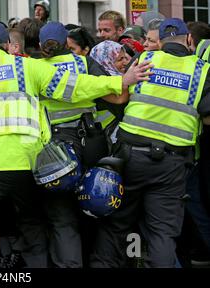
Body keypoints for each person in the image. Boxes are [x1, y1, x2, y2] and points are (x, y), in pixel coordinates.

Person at [0, 22, 152, 268]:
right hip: (27, 162)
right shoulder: (26, 67)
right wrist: (120, 82)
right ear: (7, 45)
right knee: (33, 224)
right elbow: (74, 86)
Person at [90, 18, 210, 268]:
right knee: (162, 232)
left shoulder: (144, 60)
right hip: (172, 163)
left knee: (117, 224)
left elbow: (121, 97)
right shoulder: (202, 71)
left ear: (162, 42)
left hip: (130, 156)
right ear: (189, 40)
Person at [38, 22, 140, 267]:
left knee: (62, 217)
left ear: (41, 47)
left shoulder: (33, 68)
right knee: (95, 205)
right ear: (66, 43)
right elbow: (120, 96)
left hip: (55, 150)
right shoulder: (82, 63)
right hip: (90, 142)